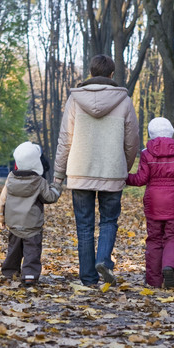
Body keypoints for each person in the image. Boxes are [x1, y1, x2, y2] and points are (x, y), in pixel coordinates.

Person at [53, 54, 139, 286]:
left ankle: (89, 278)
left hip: (80, 172)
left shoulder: (74, 101)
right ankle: (103, 260)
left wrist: (58, 175)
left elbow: (65, 140)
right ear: (112, 75)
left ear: (91, 73)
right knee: (109, 221)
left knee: (84, 225)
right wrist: (124, 167)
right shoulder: (124, 101)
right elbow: (132, 142)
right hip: (112, 171)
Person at [126, 117, 174, 288]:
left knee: (154, 239)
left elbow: (141, 179)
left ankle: (154, 280)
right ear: (171, 131)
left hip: (153, 202)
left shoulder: (146, 153)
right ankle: (169, 266)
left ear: (151, 134)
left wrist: (125, 178)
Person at [0, 141, 62, 285]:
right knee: (32, 250)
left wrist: (1, 216)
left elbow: (3, 199)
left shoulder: (10, 178)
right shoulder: (39, 181)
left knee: (13, 249)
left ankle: (10, 272)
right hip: (32, 224)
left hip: (13, 223)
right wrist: (56, 186)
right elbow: (49, 197)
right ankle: (30, 275)